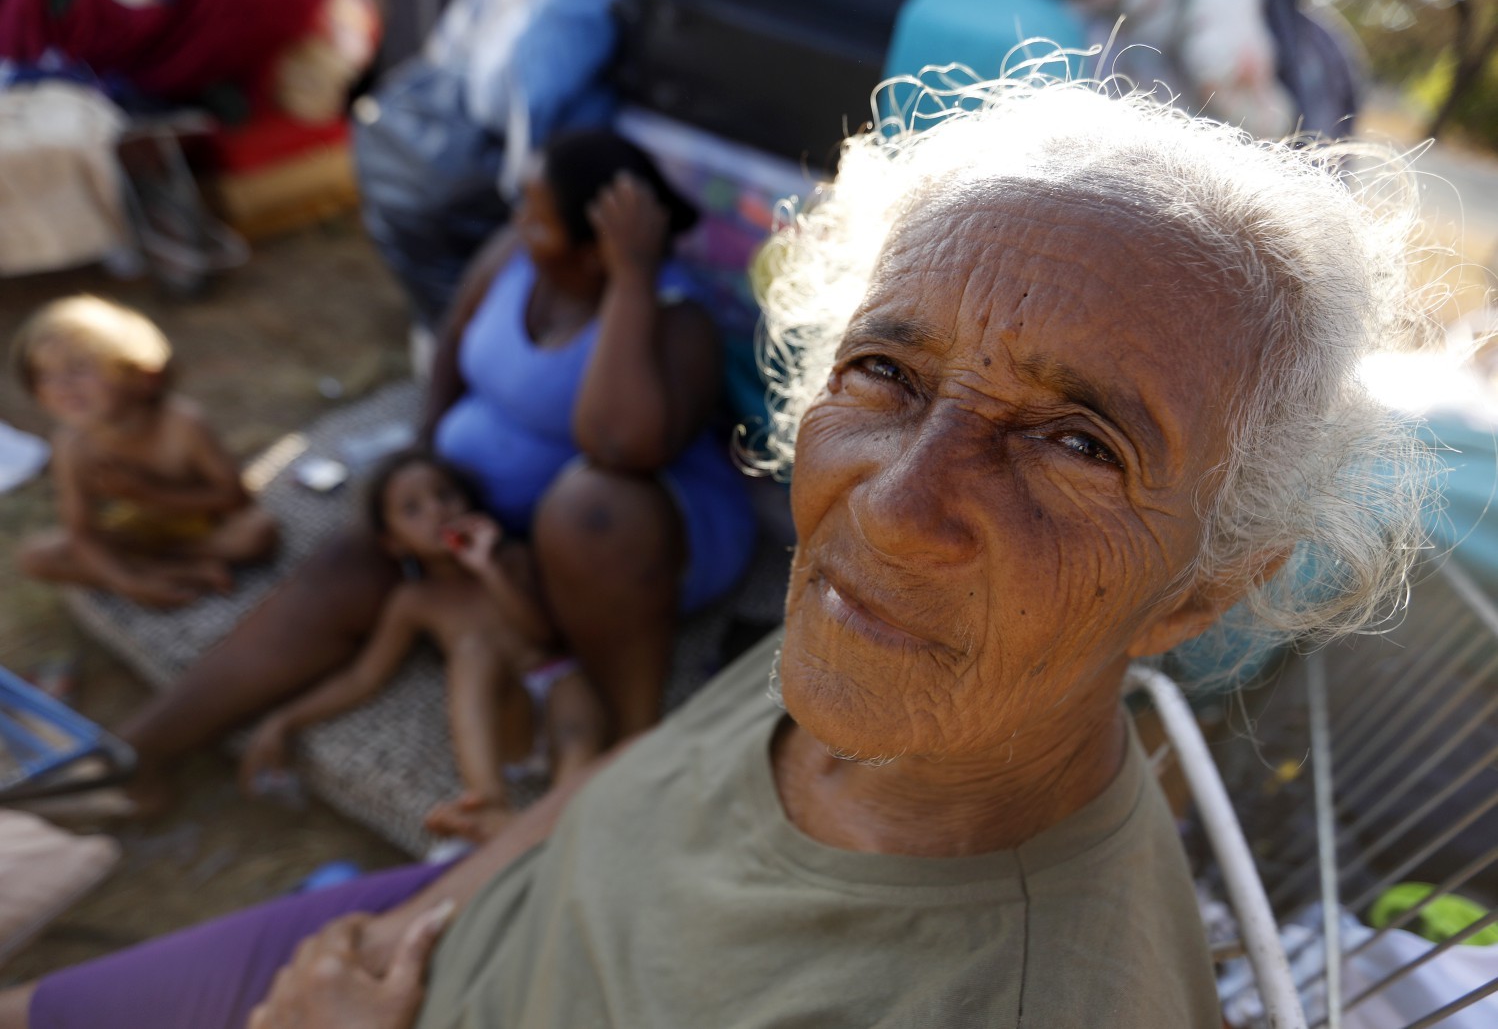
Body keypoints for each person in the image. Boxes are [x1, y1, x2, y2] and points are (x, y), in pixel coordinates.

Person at [1, 76, 1439, 1028]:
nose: (887, 506)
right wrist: (436, 904)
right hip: (437, 939)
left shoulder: (1010, 990)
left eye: (1076, 443)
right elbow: (637, 778)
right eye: (885, 371)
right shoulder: (887, 659)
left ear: (1199, 589)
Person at [115, 129, 757, 811]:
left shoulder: (670, 315)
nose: (518, 225)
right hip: (482, 531)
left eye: (537, 218)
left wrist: (631, 277)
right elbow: (453, 347)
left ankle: (625, 745)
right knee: (348, 563)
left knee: (589, 504)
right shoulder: (516, 258)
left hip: (620, 547)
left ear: (597, 248)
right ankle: (136, 753)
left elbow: (621, 446)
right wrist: (418, 470)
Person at [238, 450, 605, 841]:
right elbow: (363, 677)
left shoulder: (510, 559)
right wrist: (286, 719)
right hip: (510, 719)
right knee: (473, 651)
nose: (436, 512)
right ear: (394, 543)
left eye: (445, 496)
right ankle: (488, 801)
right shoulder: (416, 601)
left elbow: (543, 637)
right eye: (412, 509)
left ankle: (562, 809)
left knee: (572, 693)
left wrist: (488, 570)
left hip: (559, 693)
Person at [14, 294, 278, 608]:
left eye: (79, 368)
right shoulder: (71, 444)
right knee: (35, 556)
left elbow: (236, 498)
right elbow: (82, 532)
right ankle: (184, 572)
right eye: (46, 375)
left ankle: (172, 566)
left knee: (257, 533)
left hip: (204, 526)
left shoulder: (183, 424)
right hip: (141, 532)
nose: (62, 386)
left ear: (142, 375)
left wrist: (144, 492)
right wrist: (126, 582)